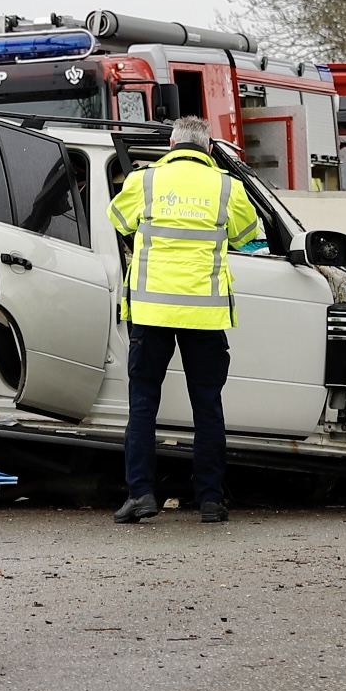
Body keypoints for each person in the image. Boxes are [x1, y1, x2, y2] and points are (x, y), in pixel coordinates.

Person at [107, 116, 260, 525]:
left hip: (151, 312)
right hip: (204, 315)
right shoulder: (229, 186)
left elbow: (119, 222)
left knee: (142, 405)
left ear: (171, 144)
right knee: (207, 408)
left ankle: (140, 495)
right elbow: (247, 234)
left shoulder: (144, 182)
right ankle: (210, 501)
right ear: (209, 149)